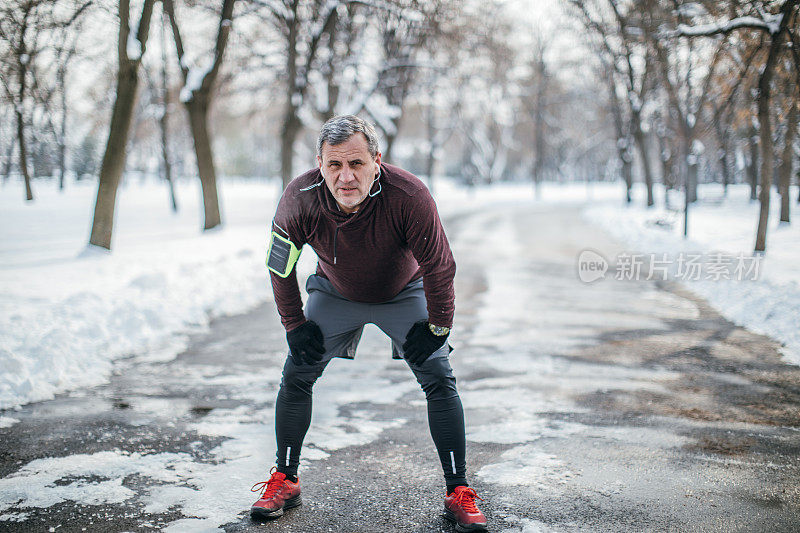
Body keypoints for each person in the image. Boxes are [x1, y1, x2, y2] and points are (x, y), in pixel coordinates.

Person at [250, 115, 487, 532]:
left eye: (357, 164)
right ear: (319, 164)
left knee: (438, 374)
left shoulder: (408, 194)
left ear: (377, 161)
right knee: (296, 373)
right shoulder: (300, 197)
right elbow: (279, 265)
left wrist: (438, 327)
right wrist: (293, 324)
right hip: (337, 293)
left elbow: (439, 265)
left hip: (404, 292)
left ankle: (458, 489)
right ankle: (285, 479)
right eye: (334, 165)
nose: (345, 177)